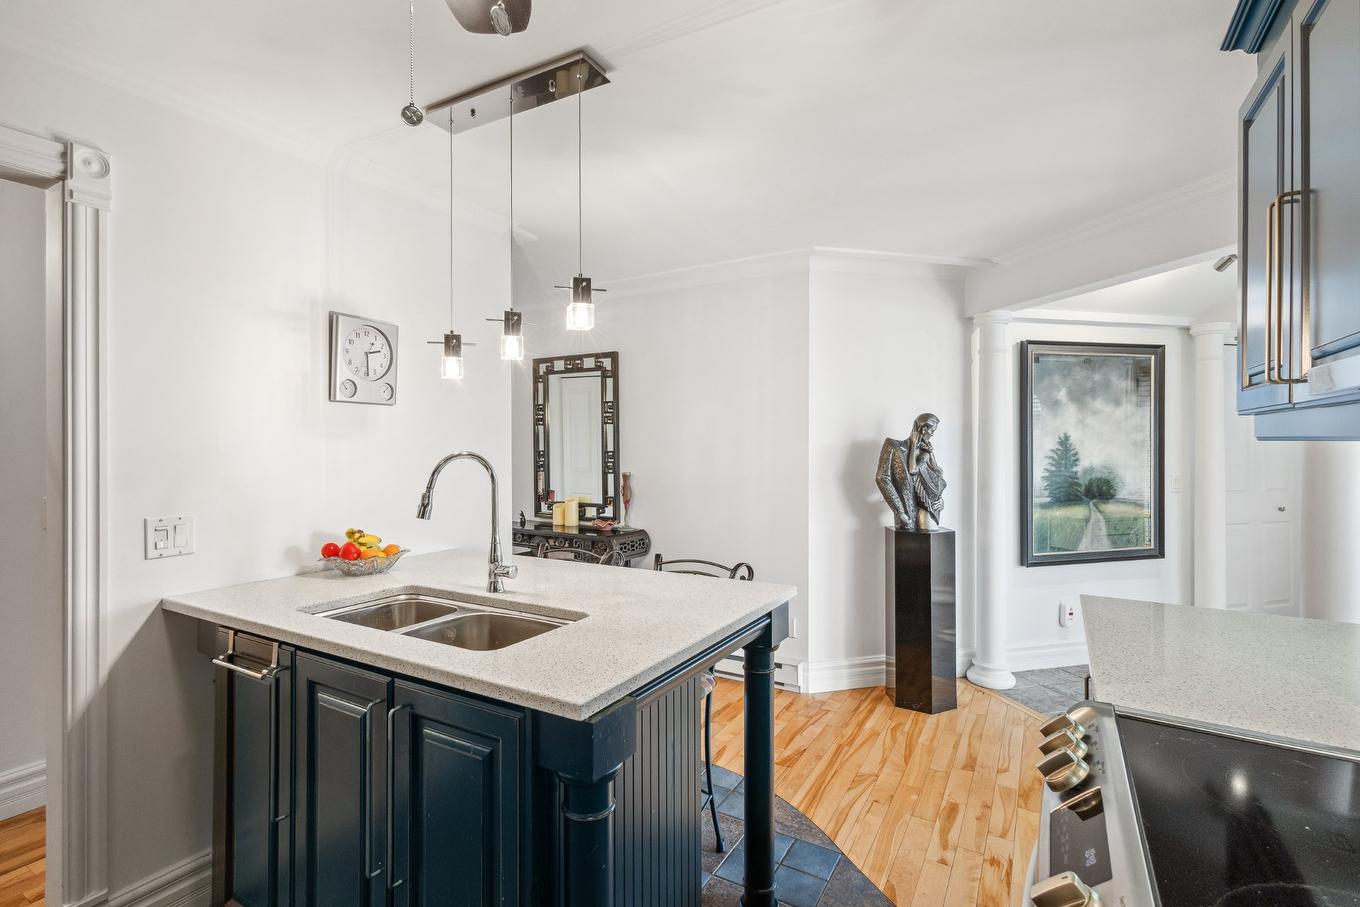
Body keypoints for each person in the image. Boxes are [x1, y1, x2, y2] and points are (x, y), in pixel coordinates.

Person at [876, 413, 946, 531]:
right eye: (932, 431)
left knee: (931, 532)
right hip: (908, 515)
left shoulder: (927, 452)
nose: (933, 434)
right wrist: (900, 512)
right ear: (924, 430)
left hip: (929, 509)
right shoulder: (894, 447)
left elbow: (935, 478)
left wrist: (940, 500)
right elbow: (882, 478)